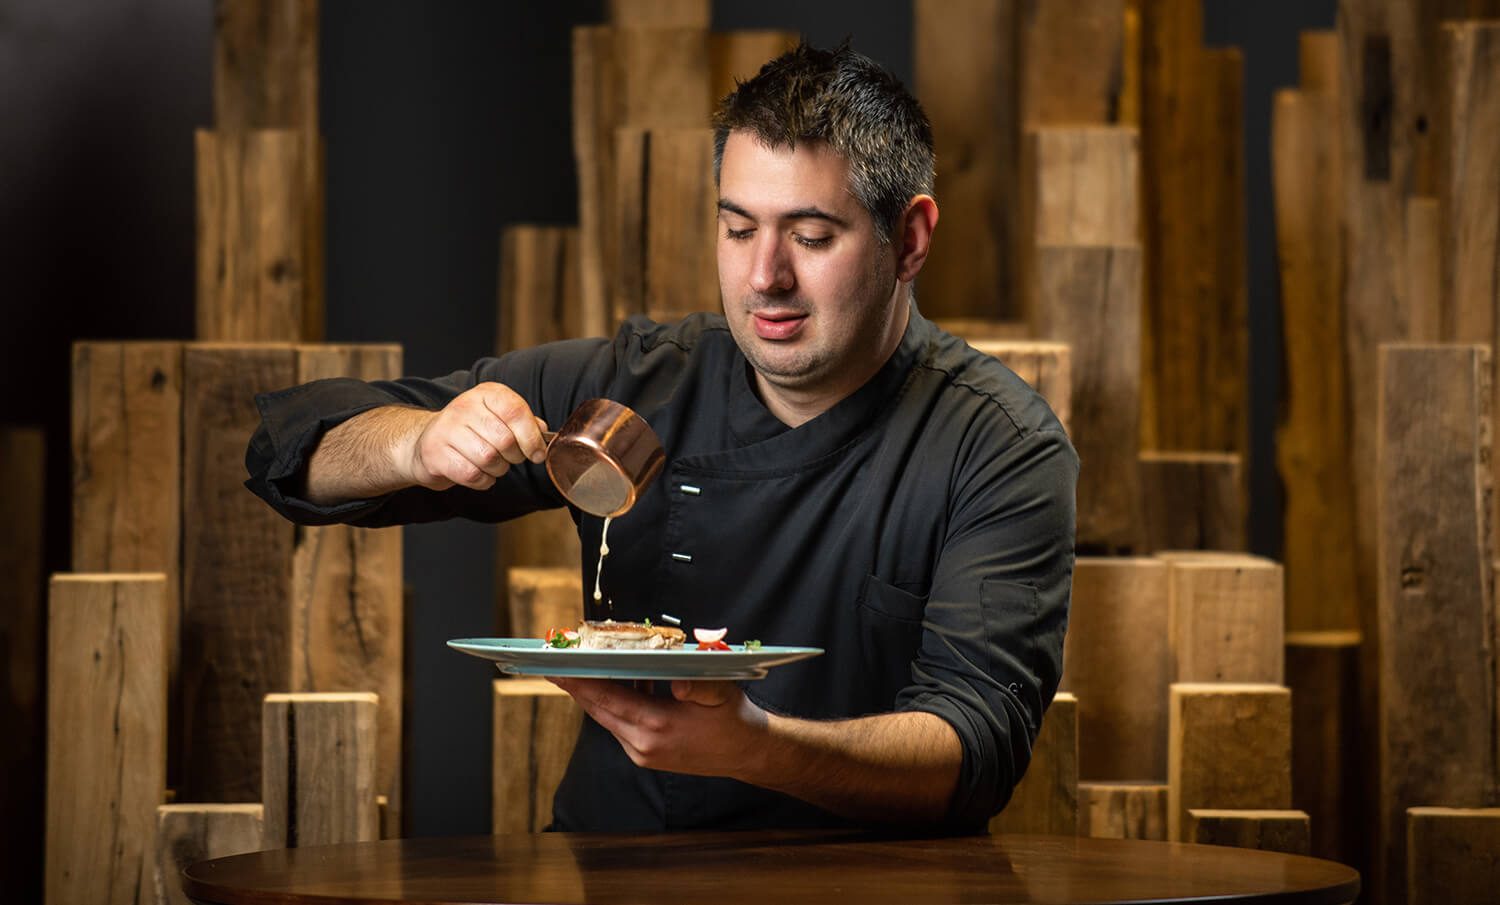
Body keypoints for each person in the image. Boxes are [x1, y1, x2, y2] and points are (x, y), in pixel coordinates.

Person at [245, 41, 1077, 834]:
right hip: (616, 866)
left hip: (872, 883)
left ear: (911, 240)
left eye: (812, 236)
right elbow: (291, 451)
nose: (764, 277)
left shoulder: (998, 445)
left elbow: (976, 750)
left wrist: (760, 750)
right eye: (739, 227)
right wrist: (415, 445)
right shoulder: (637, 383)